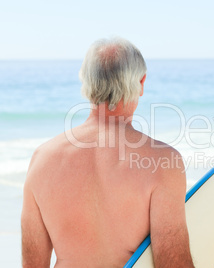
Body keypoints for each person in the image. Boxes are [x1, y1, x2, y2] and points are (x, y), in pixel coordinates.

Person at [21, 38, 194, 268]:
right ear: (141, 82)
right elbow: (172, 264)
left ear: (85, 82)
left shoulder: (42, 159)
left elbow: (32, 265)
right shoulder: (162, 162)